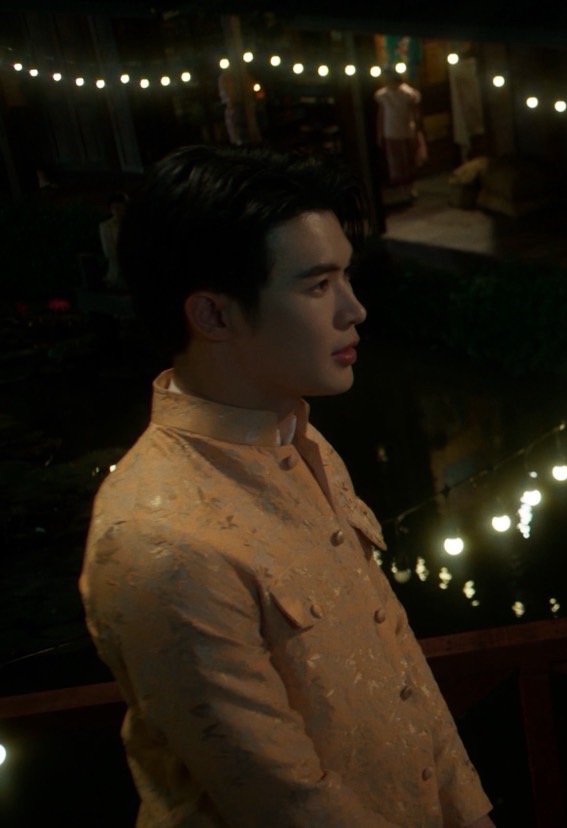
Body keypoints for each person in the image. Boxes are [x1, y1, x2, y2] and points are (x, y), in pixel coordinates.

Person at [78, 145, 493, 827]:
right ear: (213, 316)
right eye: (317, 286)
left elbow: (400, 668)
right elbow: (285, 799)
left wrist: (468, 812)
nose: (354, 309)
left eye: (346, 278)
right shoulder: (160, 541)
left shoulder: (303, 440)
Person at [375, 72, 424, 194]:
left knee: (408, 160)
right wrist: (380, 133)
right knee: (395, 162)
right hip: (391, 131)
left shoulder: (407, 93)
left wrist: (416, 130)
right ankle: (401, 188)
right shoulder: (383, 95)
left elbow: (414, 113)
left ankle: (410, 186)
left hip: (406, 131)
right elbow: (381, 115)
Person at [99, 191, 127, 289]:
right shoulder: (106, 226)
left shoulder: (134, 225)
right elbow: (109, 252)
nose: (117, 212)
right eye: (113, 209)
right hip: (116, 275)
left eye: (120, 208)